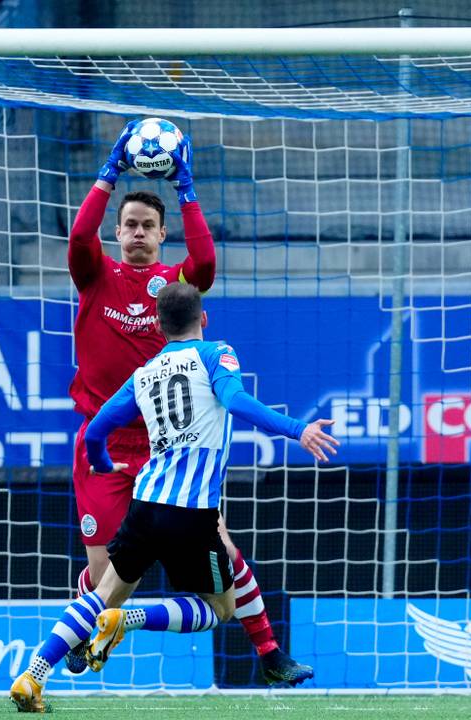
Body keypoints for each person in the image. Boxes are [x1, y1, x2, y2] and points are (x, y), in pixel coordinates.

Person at [11, 282, 339, 712]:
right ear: (203, 319)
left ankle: (33, 675)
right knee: (219, 609)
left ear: (160, 328)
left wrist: (103, 464)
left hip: (143, 504)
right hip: (192, 512)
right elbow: (235, 400)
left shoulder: (143, 373)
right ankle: (129, 619)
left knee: (102, 591)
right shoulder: (215, 353)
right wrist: (299, 429)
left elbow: (94, 431)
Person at [65, 120, 310, 684]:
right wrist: (109, 175)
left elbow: (206, 264)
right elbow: (80, 239)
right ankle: (87, 632)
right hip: (104, 443)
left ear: (160, 234)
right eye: (129, 225)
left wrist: (187, 187)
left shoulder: (177, 285)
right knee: (103, 573)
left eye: (148, 226)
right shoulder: (95, 275)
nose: (137, 233)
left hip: (167, 444)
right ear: (119, 232)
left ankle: (270, 655)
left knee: (223, 547)